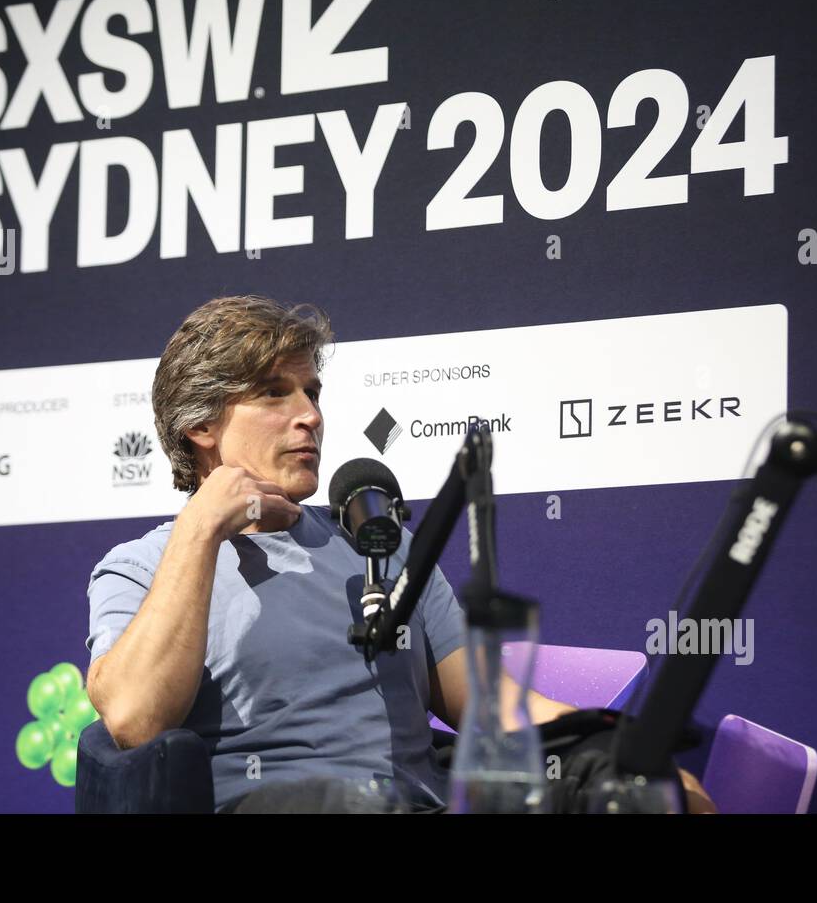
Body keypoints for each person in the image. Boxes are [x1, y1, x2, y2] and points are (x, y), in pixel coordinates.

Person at [84, 294, 715, 813]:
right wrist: (202, 530)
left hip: (415, 804)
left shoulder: (377, 544)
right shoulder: (140, 567)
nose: (309, 415)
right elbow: (134, 721)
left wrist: (616, 747)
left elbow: (488, 706)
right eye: (276, 393)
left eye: (313, 392)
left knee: (651, 791)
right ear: (201, 426)